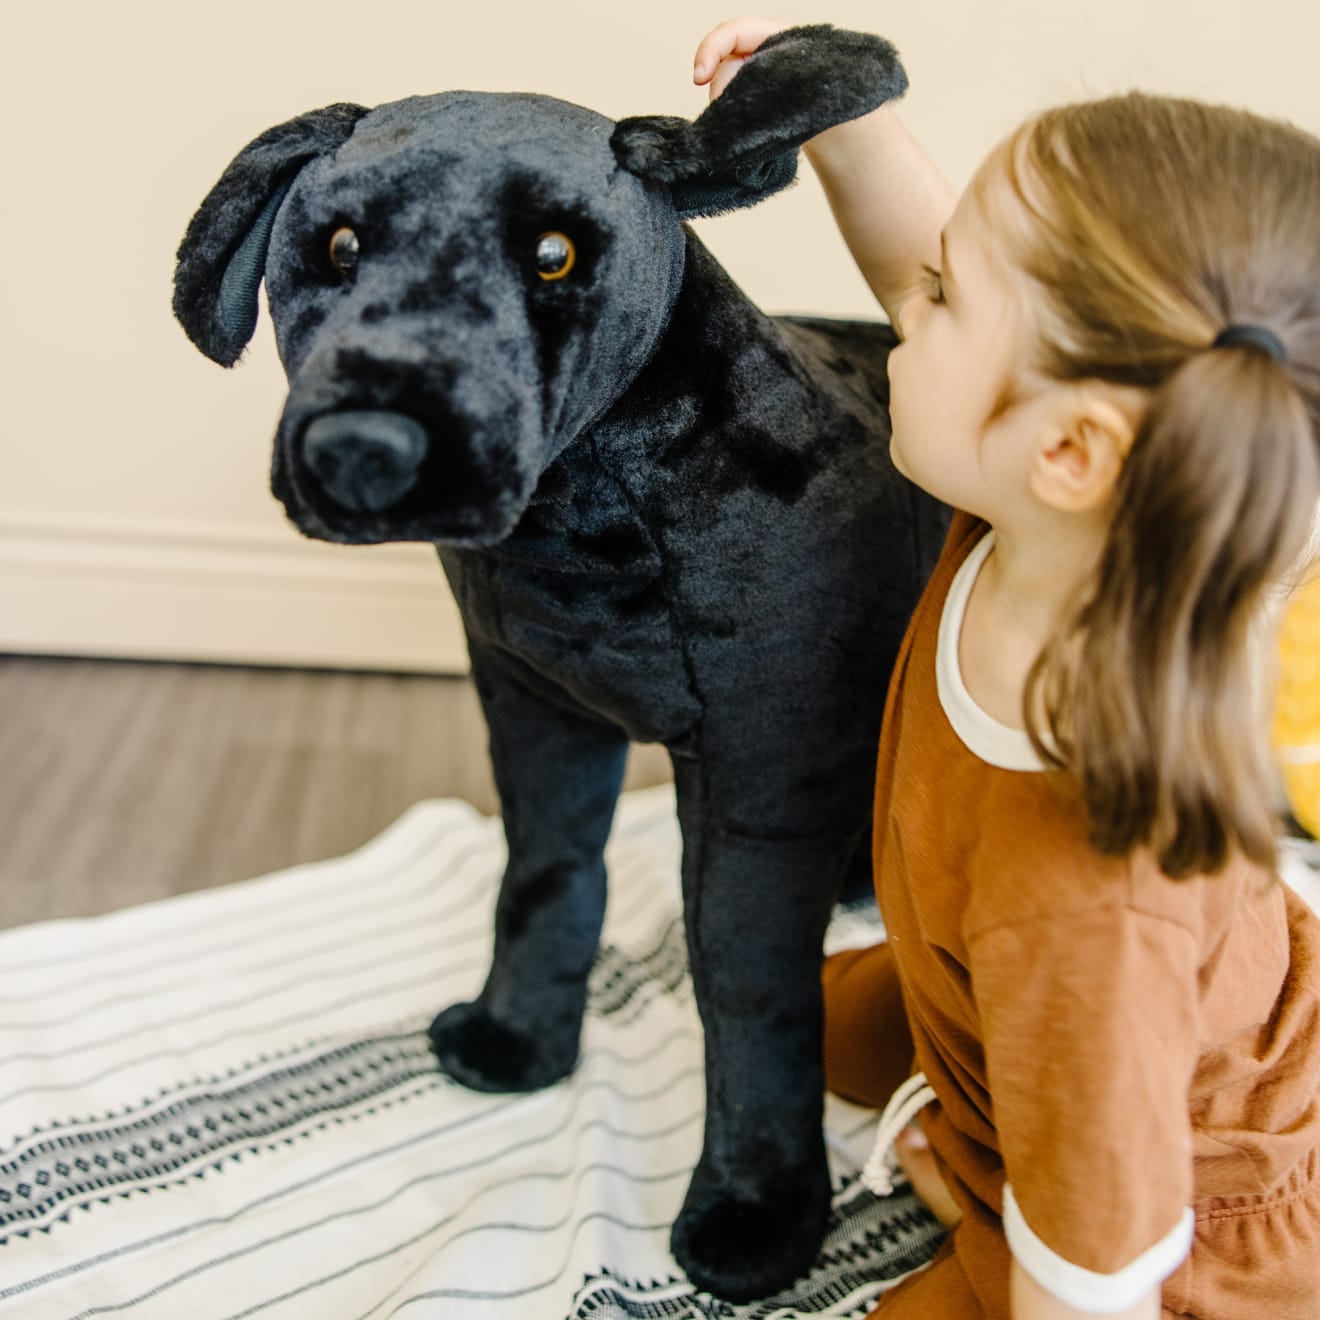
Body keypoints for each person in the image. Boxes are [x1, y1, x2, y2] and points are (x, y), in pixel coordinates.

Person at [692, 18, 1320, 1320]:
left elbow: (1095, 1265)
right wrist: (843, 123)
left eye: (944, 300)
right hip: (974, 967)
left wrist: (1024, 1238)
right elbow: (927, 259)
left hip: (1188, 1213)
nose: (909, 302)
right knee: (774, 1004)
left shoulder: (1087, 895)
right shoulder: (1058, 517)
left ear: (1072, 453)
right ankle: (951, 1068)